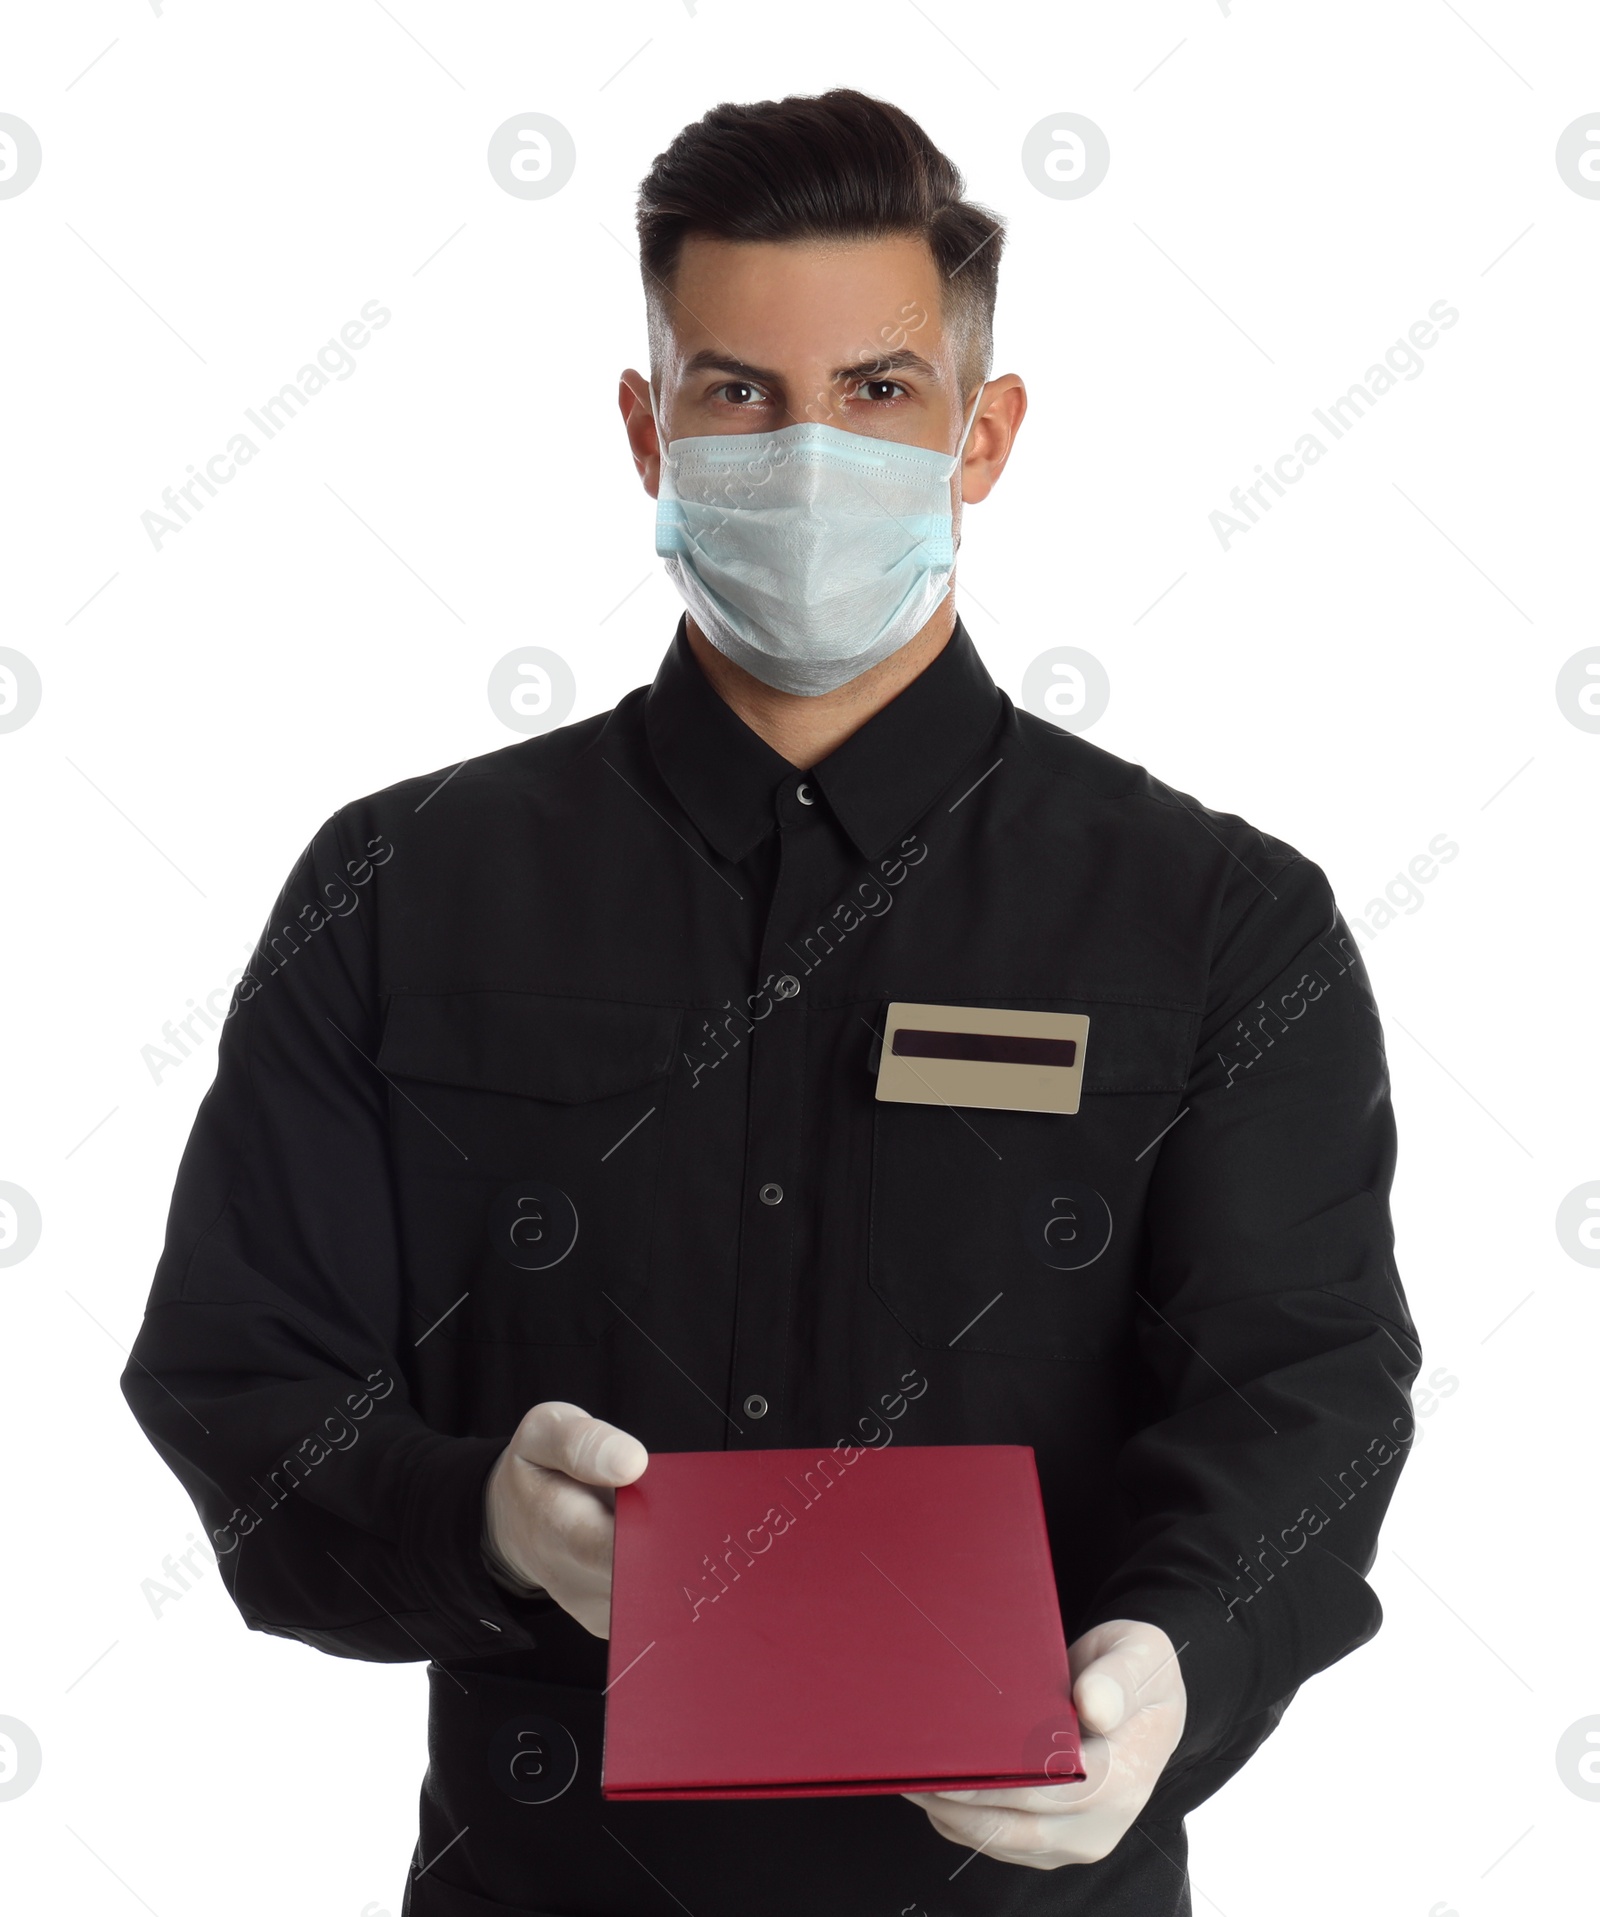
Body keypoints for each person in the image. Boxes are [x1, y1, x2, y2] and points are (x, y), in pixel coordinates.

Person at [122, 87, 1421, 1917]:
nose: (809, 450)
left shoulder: (1217, 922)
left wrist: (1172, 1666)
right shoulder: (400, 890)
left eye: (880, 393)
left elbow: (1307, 1392)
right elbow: (238, 1374)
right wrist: (479, 1517)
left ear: (985, 434)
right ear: (648, 428)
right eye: (739, 393)